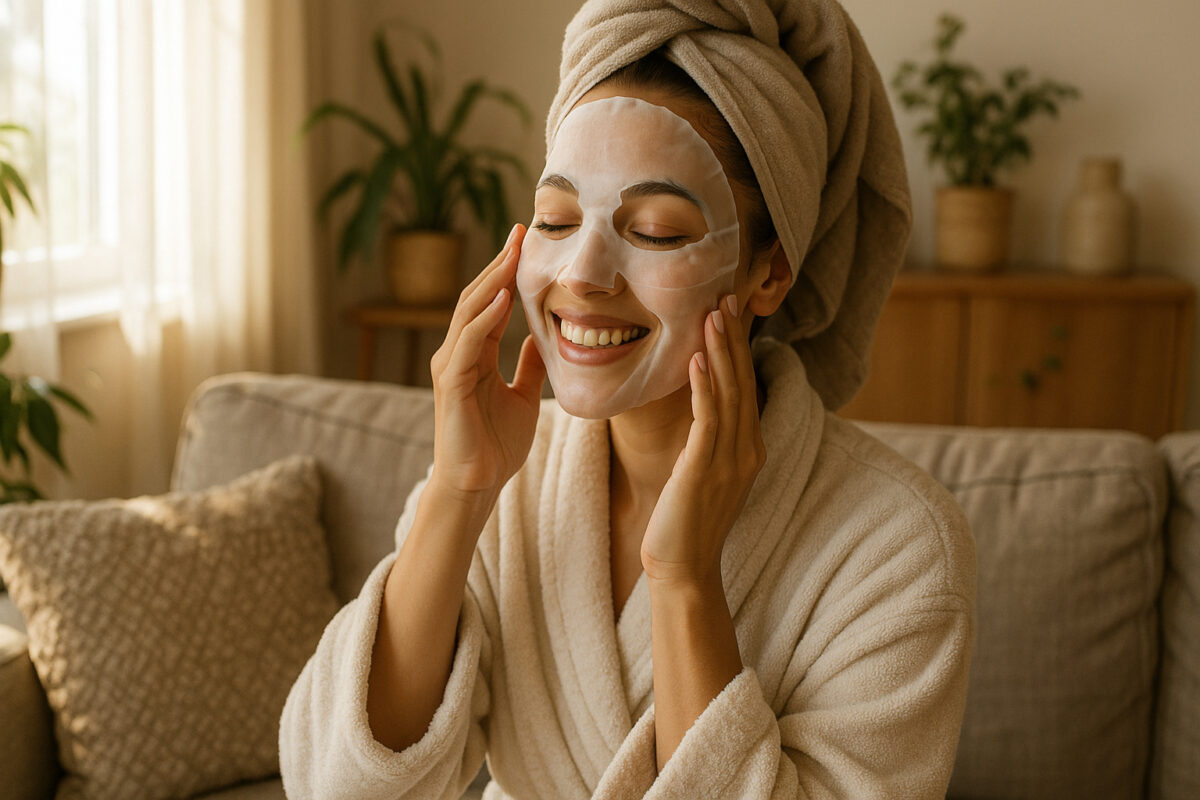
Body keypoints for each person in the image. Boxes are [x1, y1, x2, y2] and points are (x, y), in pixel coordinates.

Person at [279, 1, 975, 798]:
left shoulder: (899, 548)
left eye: (656, 231)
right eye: (556, 218)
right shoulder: (507, 485)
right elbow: (339, 787)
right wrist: (457, 492)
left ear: (769, 274)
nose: (582, 273)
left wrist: (685, 578)